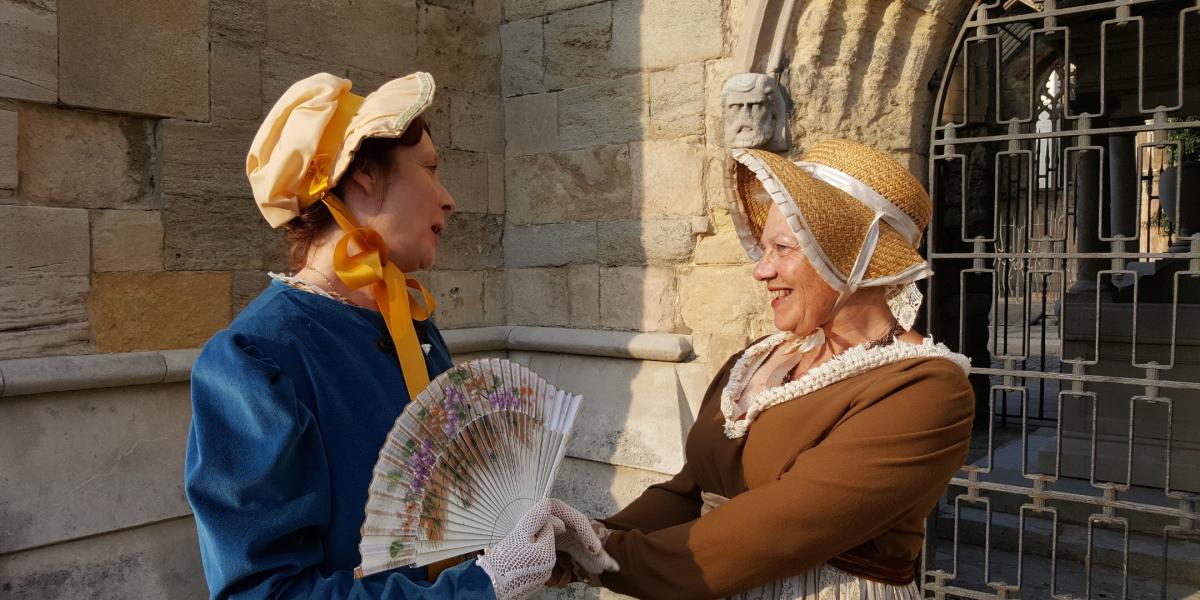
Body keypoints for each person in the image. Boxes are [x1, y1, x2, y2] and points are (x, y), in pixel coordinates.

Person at [184, 72, 609, 600]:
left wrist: (527, 540)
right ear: (363, 174)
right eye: (430, 169)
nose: (448, 199)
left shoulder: (410, 325)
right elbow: (265, 593)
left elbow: (449, 526)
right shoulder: (260, 358)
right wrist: (479, 587)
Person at [551, 139, 976, 599]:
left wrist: (603, 558)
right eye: (764, 248)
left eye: (783, 248)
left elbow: (779, 530)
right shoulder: (758, 359)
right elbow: (688, 491)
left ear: (849, 257)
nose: (761, 270)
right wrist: (581, 541)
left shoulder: (924, 389)